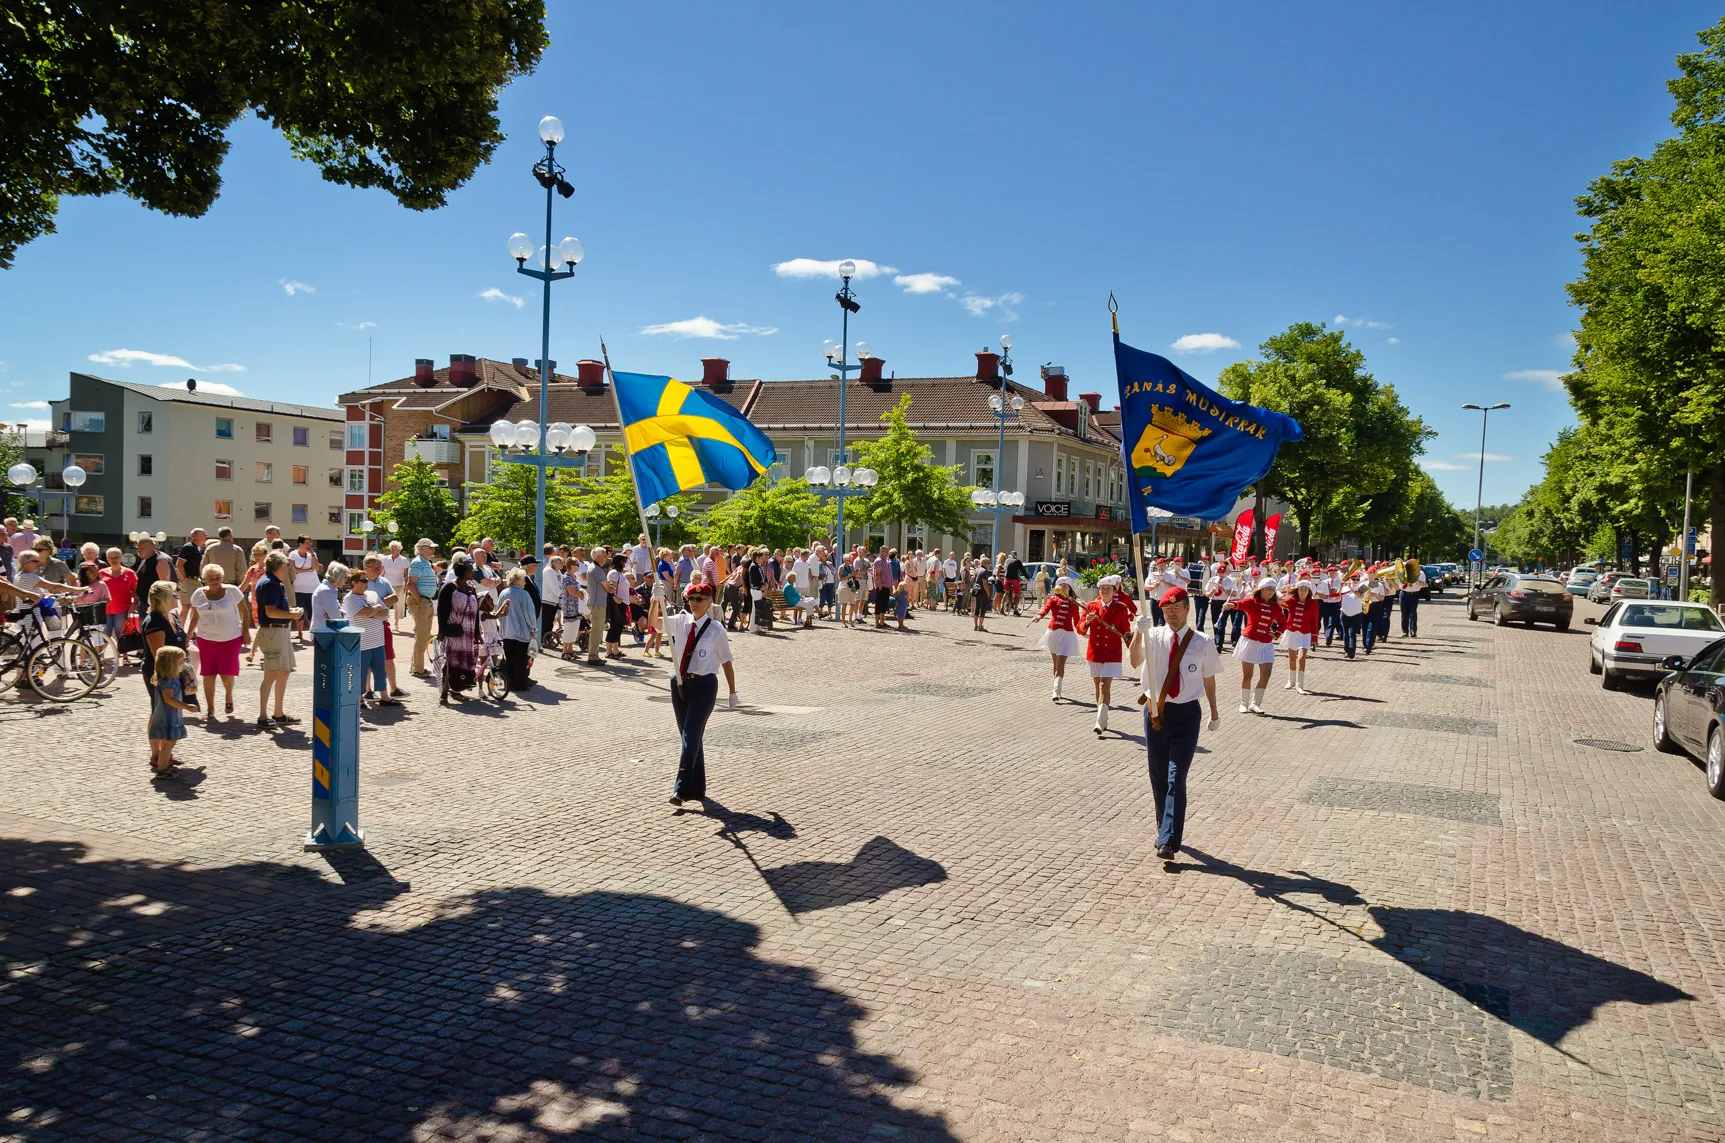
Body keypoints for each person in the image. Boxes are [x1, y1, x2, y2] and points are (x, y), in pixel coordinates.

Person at [1128, 585, 1222, 861]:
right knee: (1157, 775)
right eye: (1166, 610)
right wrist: (1137, 633)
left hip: (1187, 714)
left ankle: (1168, 840)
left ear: (1187, 609)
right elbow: (1134, 662)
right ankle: (1163, 831)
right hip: (1156, 711)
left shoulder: (1202, 642)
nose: (1170, 615)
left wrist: (1215, 712)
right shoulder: (1153, 635)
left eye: (1175, 609)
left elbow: (1209, 679)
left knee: (1175, 777)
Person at [663, 581, 739, 810]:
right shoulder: (681, 621)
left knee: (691, 734)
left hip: (705, 685)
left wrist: (732, 692)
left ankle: (682, 787)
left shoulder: (716, 629)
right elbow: (655, 625)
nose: (694, 603)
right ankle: (698, 787)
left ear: (709, 603)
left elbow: (726, 662)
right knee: (690, 737)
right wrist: (656, 602)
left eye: (699, 599)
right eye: (691, 599)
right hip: (680, 683)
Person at [186, 564, 244, 718]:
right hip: (206, 639)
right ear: (204, 580)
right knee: (208, 674)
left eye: (217, 577)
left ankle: (229, 696)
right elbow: (195, 617)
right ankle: (210, 709)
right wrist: (187, 636)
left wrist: (246, 633)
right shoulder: (198, 594)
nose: (215, 580)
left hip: (230, 638)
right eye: (211, 578)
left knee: (227, 672)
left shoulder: (232, 591)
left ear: (222, 578)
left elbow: (245, 612)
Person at [253, 551, 303, 729]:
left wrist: (290, 612)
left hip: (279, 631)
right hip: (274, 632)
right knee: (271, 674)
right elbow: (270, 612)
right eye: (286, 566)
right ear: (281, 567)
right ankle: (263, 715)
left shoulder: (272, 582)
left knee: (283, 671)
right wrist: (293, 614)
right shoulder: (270, 583)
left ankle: (278, 713)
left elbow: (273, 609)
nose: (288, 569)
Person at [1078, 574, 1132, 735]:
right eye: (1103, 588)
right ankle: (1103, 716)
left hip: (1112, 653)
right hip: (1095, 651)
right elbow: (1080, 629)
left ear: (1114, 590)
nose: (1105, 591)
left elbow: (1126, 632)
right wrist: (1087, 621)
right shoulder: (1091, 606)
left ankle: (1099, 722)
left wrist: (1133, 648)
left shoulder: (1121, 607)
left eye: (1108, 588)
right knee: (1097, 685)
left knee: (1104, 685)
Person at [1226, 578, 1285, 715]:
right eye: (1268, 589)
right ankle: (1243, 703)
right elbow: (1240, 604)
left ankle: (1255, 703)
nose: (1271, 592)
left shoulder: (1275, 607)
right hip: (1250, 641)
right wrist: (1231, 605)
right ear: (1261, 589)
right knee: (1248, 675)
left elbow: (1283, 622)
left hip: (1266, 643)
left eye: (1273, 589)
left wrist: (1276, 633)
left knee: (1266, 673)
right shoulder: (1252, 602)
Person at [341, 566, 395, 706]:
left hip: (377, 639)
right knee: (362, 671)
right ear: (354, 582)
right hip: (362, 642)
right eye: (364, 580)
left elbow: (385, 612)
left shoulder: (372, 594)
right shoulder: (349, 599)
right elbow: (363, 614)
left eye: (367, 580)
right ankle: (359, 699)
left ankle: (384, 696)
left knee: (380, 669)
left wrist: (372, 612)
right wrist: (374, 610)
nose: (367, 583)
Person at [148, 645, 198, 777]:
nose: (184, 665)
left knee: (168, 743)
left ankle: (164, 766)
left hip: (170, 715)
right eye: (181, 662)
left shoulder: (170, 678)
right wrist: (187, 707)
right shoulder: (169, 681)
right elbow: (169, 699)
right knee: (169, 743)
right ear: (171, 664)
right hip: (168, 716)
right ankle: (162, 770)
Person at [436, 555, 481, 702]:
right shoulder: (450, 587)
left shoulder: (471, 588)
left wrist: (476, 632)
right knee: (451, 662)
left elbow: (476, 612)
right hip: (454, 631)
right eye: (470, 570)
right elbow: (442, 612)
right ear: (463, 572)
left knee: (464, 662)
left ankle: (457, 690)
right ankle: (444, 693)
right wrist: (442, 631)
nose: (473, 571)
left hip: (468, 633)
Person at [1034, 576, 1083, 700]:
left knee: (1060, 662)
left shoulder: (1073, 603)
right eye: (1061, 585)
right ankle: (1056, 686)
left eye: (1065, 585)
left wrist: (1083, 630)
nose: (1063, 587)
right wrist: (1039, 616)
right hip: (1053, 633)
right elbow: (1045, 609)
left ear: (1070, 588)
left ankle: (1056, 690)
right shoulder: (1053, 599)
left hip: (1067, 635)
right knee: (1056, 662)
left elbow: (1077, 621)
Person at [1280, 577, 1321, 695]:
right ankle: (1291, 680)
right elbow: (1282, 605)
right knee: (1292, 658)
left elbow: (1314, 621)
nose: (1303, 591)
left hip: (1305, 633)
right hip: (1292, 631)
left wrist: (1314, 638)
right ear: (1297, 590)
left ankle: (1299, 685)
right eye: (1301, 589)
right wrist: (1280, 595)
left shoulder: (1313, 604)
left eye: (1305, 589)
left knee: (1302, 657)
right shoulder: (1292, 600)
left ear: (1309, 591)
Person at [405, 539, 439, 676]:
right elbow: (411, 584)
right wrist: (420, 601)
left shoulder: (425, 562)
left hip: (426, 600)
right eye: (430, 548)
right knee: (422, 635)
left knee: (423, 634)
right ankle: (418, 669)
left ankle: (416, 667)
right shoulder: (418, 562)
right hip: (422, 601)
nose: (433, 550)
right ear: (421, 549)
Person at [289, 536, 321, 643]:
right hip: (299, 587)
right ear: (300, 544)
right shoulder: (293, 554)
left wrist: (312, 554)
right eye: (307, 543)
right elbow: (294, 570)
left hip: (313, 587)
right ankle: (299, 633)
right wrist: (307, 570)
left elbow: (316, 568)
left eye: (310, 543)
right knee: (300, 611)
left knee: (312, 612)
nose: (309, 545)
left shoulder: (312, 554)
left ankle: (313, 633)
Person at [174, 529, 206, 622]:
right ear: (196, 536)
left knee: (195, 607)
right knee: (186, 607)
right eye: (204, 534)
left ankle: (191, 631)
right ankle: (181, 630)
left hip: (196, 581)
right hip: (189, 580)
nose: (206, 536)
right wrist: (184, 580)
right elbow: (179, 565)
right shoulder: (188, 547)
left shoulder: (199, 548)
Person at [309, 562, 348, 632]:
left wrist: (338, 611)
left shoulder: (330, 589)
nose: (346, 580)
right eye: (345, 577)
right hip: (322, 633)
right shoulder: (326, 590)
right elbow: (335, 616)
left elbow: (334, 613)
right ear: (338, 576)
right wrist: (339, 612)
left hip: (326, 632)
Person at [1340, 572, 1368, 659]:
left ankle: (1352, 651)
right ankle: (1346, 650)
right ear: (1350, 580)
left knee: (1352, 633)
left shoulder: (1363, 587)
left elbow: (1360, 596)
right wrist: (1341, 586)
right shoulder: (1344, 588)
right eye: (1353, 579)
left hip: (1356, 614)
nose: (1355, 581)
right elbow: (1337, 595)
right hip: (1344, 613)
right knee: (1345, 633)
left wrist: (1352, 589)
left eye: (1357, 579)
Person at [1399, 558, 1426, 637]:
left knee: (1413, 613)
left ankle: (1413, 631)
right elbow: (1400, 583)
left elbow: (1422, 584)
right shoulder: (1403, 572)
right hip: (1404, 593)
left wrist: (1415, 579)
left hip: (1414, 594)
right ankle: (1405, 631)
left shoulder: (1420, 573)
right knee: (1404, 614)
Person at [968, 557, 993, 632]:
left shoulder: (977, 569)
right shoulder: (985, 571)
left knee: (976, 608)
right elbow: (985, 583)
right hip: (982, 591)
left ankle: (975, 625)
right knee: (982, 609)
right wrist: (988, 592)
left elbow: (974, 579)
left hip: (976, 590)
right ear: (985, 563)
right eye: (988, 563)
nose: (989, 564)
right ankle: (980, 626)